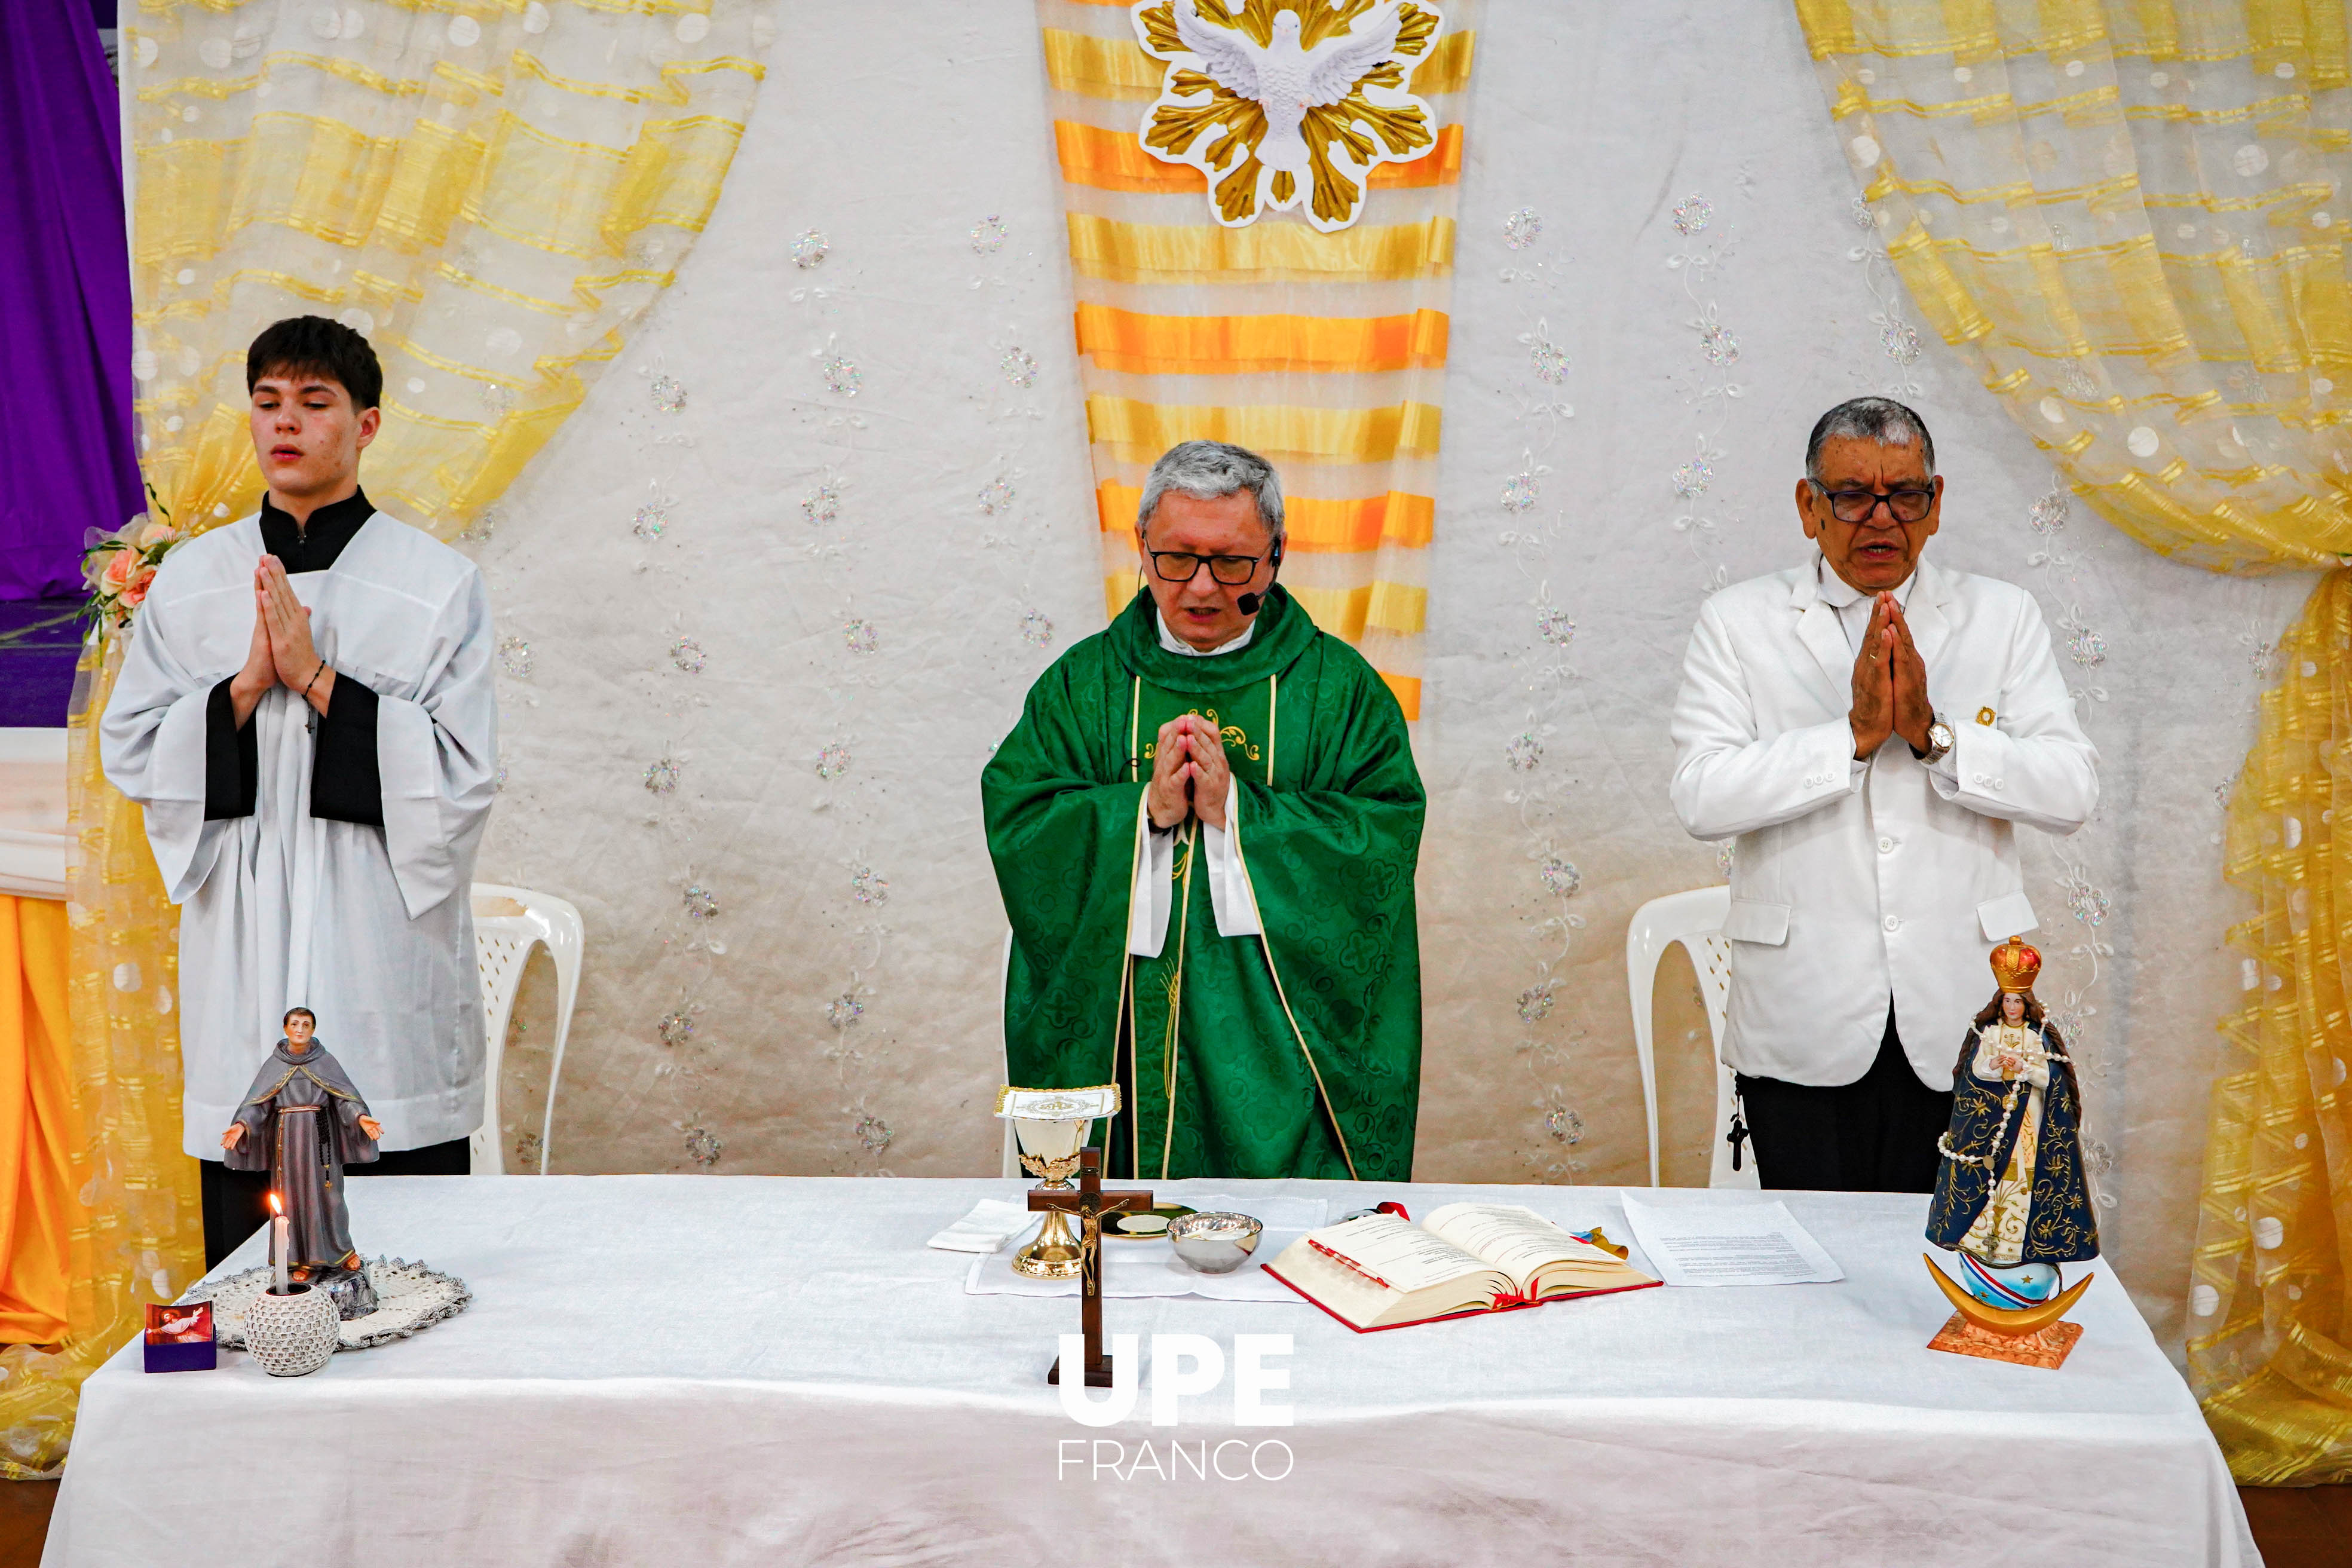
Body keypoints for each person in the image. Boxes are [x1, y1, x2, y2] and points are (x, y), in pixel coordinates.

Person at [102, 317, 497, 1265]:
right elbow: (132, 749)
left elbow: (464, 774)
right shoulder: (197, 580)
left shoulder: (436, 584)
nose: (287, 424)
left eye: (314, 404)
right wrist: (242, 687)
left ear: (364, 426)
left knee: (403, 1251)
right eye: (269, 403)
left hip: (375, 934)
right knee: (253, 1250)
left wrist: (319, 678)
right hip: (242, 933)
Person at [1668, 397, 2099, 1192]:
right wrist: (1853, 739)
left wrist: (1938, 737)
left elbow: (2072, 789)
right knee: (1814, 1272)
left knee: (1944, 1271)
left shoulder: (2002, 618)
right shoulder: (1739, 623)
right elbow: (1701, 796)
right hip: (1803, 1014)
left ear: (1933, 506)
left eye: (1903, 495)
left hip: (1962, 1006)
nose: (1880, 517)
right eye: (1851, 494)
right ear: (1809, 507)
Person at [983, 440, 1425, 1181]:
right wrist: (1142, 810)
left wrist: (1239, 814)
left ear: (1277, 555)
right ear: (1141, 547)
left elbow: (1383, 836)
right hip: (1121, 1028)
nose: (1201, 587)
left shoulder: (1340, 692)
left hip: (1286, 1043)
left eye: (1232, 562)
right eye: (1176, 558)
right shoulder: (1082, 687)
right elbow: (1021, 819)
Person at [1927, 938, 2098, 1272]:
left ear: (2026, 1003)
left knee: (2022, 1175)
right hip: (1991, 1120)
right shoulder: (1987, 1032)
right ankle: (1983, 1240)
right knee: (1991, 1175)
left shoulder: (2038, 1035)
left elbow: (2052, 1077)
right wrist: (1992, 1067)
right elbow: (1973, 1071)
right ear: (2000, 1002)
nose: (2013, 1008)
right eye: (2008, 1001)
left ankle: (2019, 1243)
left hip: (2028, 1121)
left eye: (2018, 1002)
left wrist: (2024, 1068)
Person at [222, 1006, 384, 1301]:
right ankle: (301, 1262)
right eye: (295, 1024)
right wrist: (242, 1126)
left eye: (306, 1024)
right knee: (294, 1200)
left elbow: (345, 1099)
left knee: (329, 1195)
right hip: (288, 1144)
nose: (300, 1029)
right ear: (285, 1028)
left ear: (313, 1029)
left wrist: (361, 1117)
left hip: (321, 1140)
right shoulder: (275, 1065)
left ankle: (341, 1252)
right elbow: (258, 1105)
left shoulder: (325, 1062)